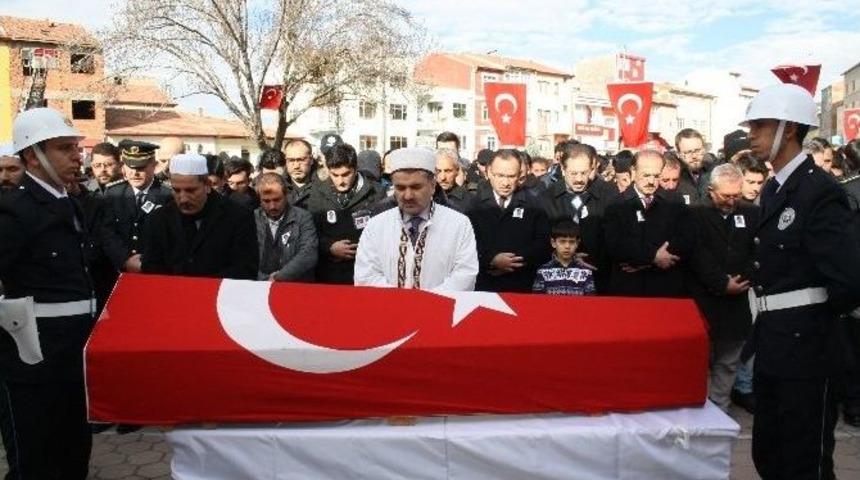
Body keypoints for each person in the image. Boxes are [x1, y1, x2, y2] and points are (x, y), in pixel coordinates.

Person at [743, 83, 860, 480]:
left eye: (760, 125)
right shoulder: (776, 188)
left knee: (804, 461)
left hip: (808, 348)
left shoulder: (818, 191)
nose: (751, 135)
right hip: (774, 341)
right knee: (769, 455)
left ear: (788, 129)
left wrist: (816, 322)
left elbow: (848, 277)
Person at [0, 107, 96, 478]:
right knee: (36, 464)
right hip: (33, 364)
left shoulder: (69, 203)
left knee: (74, 458)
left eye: (76, 147)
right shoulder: (14, 211)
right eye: (63, 148)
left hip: (74, 357)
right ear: (32, 157)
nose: (77, 156)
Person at [687, 164, 759, 412]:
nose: (731, 201)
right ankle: (696, 406)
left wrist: (742, 279)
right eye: (725, 196)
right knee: (698, 359)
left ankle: (719, 407)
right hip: (704, 299)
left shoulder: (752, 214)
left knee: (729, 360)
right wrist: (720, 283)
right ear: (710, 190)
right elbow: (696, 254)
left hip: (737, 298)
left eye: (735, 195)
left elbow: (757, 252)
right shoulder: (695, 215)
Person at [355, 148, 478, 290]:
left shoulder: (459, 225)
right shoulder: (376, 226)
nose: (407, 196)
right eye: (400, 188)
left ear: (432, 186)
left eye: (416, 187)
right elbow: (366, 276)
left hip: (440, 309)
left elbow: (464, 276)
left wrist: (425, 302)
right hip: (389, 308)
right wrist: (403, 302)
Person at [141, 153, 258, 279]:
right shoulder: (159, 219)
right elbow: (151, 268)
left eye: (191, 190)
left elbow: (245, 268)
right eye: (177, 190)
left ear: (207, 185)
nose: (183, 199)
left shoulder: (238, 217)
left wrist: (201, 288)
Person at [602, 150, 695, 297]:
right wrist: (652, 256)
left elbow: (685, 239)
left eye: (656, 176)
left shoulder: (675, 202)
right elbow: (615, 245)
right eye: (646, 175)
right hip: (628, 287)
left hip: (665, 285)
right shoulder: (616, 204)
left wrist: (648, 262)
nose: (651, 181)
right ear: (633, 171)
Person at [539, 142, 618, 293]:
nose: (579, 179)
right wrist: (568, 257)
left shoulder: (609, 194)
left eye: (584, 173)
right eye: (573, 173)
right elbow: (541, 237)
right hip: (557, 280)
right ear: (563, 169)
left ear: (592, 169)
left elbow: (614, 236)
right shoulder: (546, 197)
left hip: (599, 276)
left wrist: (592, 260)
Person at [468, 149, 550, 293]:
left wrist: (512, 263)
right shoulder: (472, 206)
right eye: (500, 175)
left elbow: (542, 245)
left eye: (511, 176)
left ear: (519, 176)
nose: (505, 183)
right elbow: (465, 246)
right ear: (488, 173)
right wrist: (491, 261)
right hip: (483, 288)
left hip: (522, 286)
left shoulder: (535, 205)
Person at [307, 143, 385, 284]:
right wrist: (329, 247)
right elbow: (310, 231)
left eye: (345, 174)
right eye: (335, 175)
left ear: (355, 169)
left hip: (366, 274)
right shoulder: (317, 192)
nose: (340, 181)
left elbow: (384, 234)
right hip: (328, 276)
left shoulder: (377, 192)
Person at [101, 140, 173, 276]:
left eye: (141, 167)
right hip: (119, 270)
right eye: (131, 167)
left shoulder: (167, 195)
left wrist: (146, 263)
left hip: (154, 271)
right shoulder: (114, 193)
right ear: (123, 167)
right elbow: (107, 232)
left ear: (153, 166)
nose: (135, 173)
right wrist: (125, 260)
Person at [253, 173, 318, 282]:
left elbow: (308, 253)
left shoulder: (303, 217)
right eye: (266, 201)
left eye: (277, 200)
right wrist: (264, 279)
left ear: (286, 196)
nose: (272, 206)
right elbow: (243, 258)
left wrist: (279, 277)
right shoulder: (251, 220)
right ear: (259, 199)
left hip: (295, 285)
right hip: (260, 287)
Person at [532, 220, 596, 295]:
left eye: (571, 242)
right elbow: (536, 301)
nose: (567, 246)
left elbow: (591, 301)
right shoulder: (543, 271)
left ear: (577, 243)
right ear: (553, 243)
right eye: (562, 241)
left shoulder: (586, 272)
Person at [435, 148, 477, 214]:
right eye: (438, 171)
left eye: (448, 171)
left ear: (457, 171)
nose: (442, 177)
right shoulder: (426, 198)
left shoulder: (471, 202)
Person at [674, 128, 710, 205]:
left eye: (697, 150)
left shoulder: (713, 173)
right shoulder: (673, 177)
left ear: (703, 149)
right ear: (678, 154)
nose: (694, 156)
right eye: (687, 152)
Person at [284, 139, 318, 210]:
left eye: (301, 160)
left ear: (311, 159)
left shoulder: (323, 186)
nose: (296, 166)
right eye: (291, 160)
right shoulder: (277, 186)